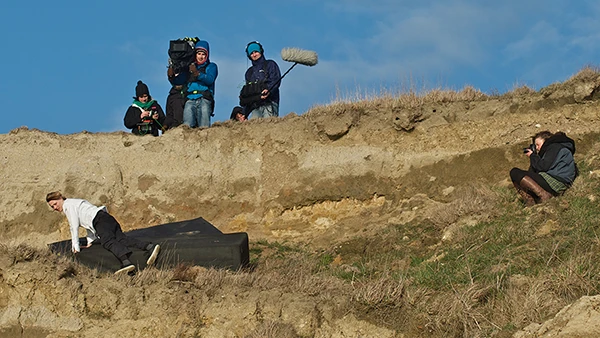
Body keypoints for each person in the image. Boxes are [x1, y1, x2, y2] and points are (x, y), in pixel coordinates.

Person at [46, 191, 161, 275]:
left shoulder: (68, 206)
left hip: (99, 220)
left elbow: (74, 226)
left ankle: (126, 263)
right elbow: (88, 222)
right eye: (52, 207)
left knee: (107, 242)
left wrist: (76, 247)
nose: (55, 208)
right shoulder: (75, 203)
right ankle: (149, 246)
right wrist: (90, 242)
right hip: (105, 217)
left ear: (60, 198)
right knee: (122, 239)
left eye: (55, 204)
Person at [510, 131, 577, 206]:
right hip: (561, 181)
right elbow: (533, 173)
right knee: (524, 177)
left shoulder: (554, 147)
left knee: (515, 172)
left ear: (546, 141)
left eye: (538, 145)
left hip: (556, 181)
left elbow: (543, 167)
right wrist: (535, 157)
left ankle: (543, 196)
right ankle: (533, 200)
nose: (537, 148)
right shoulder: (559, 148)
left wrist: (533, 156)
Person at [183, 40, 218, 128]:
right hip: (190, 99)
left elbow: (210, 79)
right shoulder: (189, 66)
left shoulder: (211, 66)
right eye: (199, 54)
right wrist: (172, 76)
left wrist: (197, 74)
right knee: (187, 127)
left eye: (203, 54)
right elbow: (180, 81)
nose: (201, 57)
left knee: (204, 127)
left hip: (204, 99)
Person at [243, 41, 281, 119]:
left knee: (269, 127)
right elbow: (249, 92)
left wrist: (268, 90)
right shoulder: (249, 73)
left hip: (270, 103)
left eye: (256, 51)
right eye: (251, 53)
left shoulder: (270, 64)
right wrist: (245, 112)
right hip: (255, 107)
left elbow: (275, 80)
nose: (254, 54)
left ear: (261, 51)